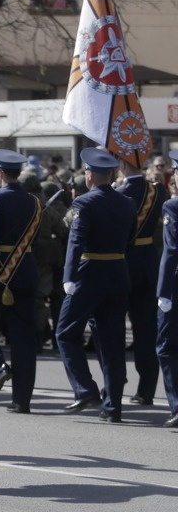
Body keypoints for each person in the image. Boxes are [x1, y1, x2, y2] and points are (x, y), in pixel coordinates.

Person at [56, 148, 136, 422]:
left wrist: (68, 277)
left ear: (90, 175)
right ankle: (113, 407)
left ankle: (85, 389)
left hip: (89, 274)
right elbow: (131, 239)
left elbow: (75, 242)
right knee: (112, 342)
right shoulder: (126, 202)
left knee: (65, 333)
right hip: (117, 273)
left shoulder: (84, 203)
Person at [0, 149, 42, 414]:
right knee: (23, 336)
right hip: (25, 269)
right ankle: (22, 400)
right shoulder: (34, 201)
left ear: (0, 172)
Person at [117, 156, 165, 406]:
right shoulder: (157, 190)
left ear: (122, 164)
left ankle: (114, 385)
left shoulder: (119, 192)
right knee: (146, 331)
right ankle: (146, 390)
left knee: (112, 328)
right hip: (147, 263)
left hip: (121, 261)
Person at [155, 148, 178, 428]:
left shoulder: (172, 206)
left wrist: (163, 291)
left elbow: (171, 250)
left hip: (175, 284)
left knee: (166, 345)